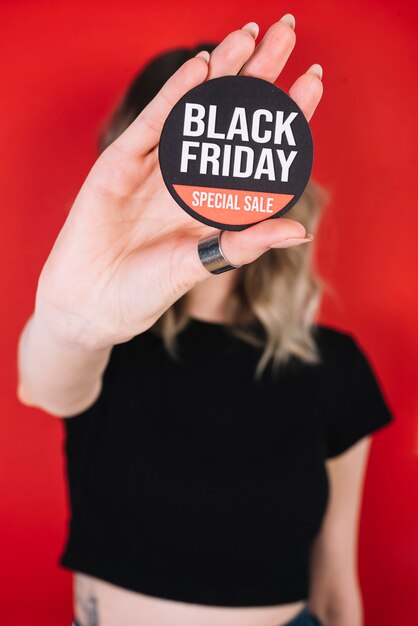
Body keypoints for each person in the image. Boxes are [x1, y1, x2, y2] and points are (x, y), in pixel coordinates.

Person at [17, 13, 394, 626]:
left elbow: (333, 591)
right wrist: (71, 320)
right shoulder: (112, 342)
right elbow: (44, 382)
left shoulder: (334, 368)